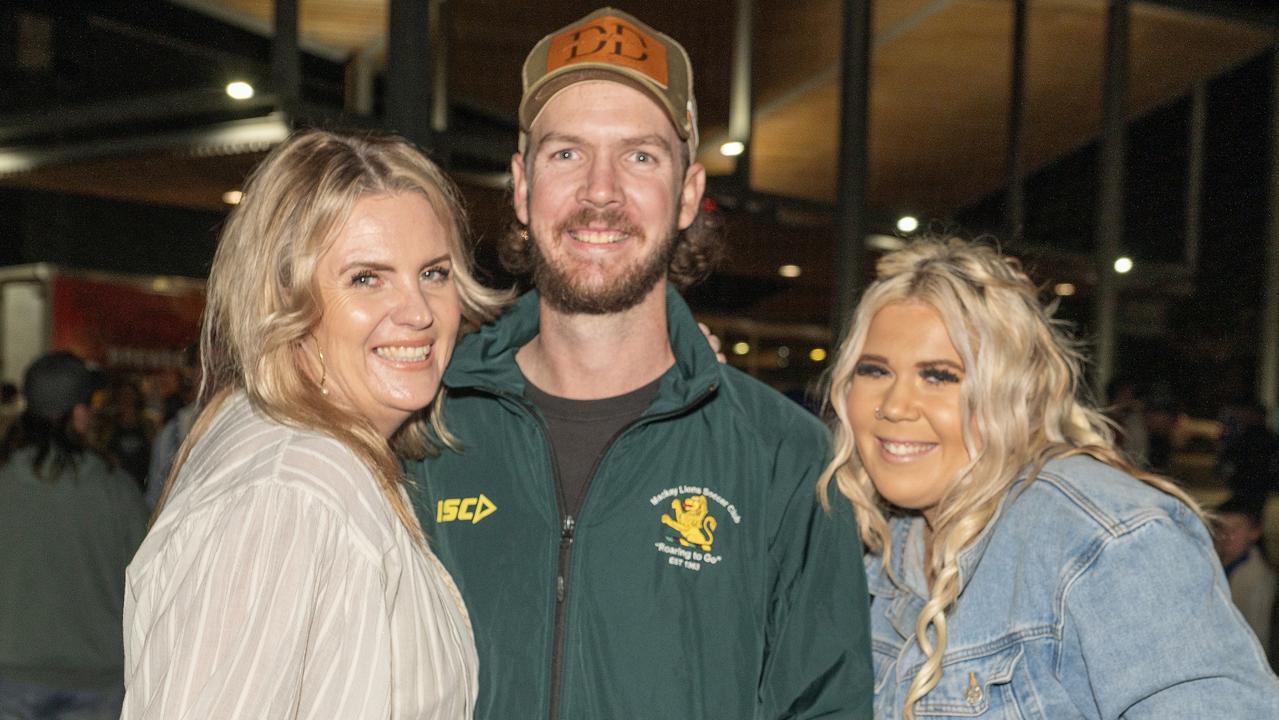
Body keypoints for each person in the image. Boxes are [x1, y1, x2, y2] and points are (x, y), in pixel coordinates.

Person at [403, 8, 873, 719]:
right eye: (566, 154)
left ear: (687, 194)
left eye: (639, 156)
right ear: (522, 187)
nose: (600, 192)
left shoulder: (785, 459)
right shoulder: (422, 433)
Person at [120, 129, 507, 719]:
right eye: (366, 278)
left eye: (434, 272)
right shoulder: (290, 490)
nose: (419, 312)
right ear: (282, 298)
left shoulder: (306, 454)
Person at [819, 237, 1279, 718]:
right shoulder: (880, 544)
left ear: (1013, 390)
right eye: (873, 370)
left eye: (939, 376)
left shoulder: (1103, 540)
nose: (893, 406)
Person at [0, 351, 147, 720]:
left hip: (11, 674)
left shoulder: (5, 481)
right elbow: (146, 582)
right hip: (96, 680)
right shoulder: (117, 489)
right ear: (78, 414)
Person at [1214, 494, 1277, 660]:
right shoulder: (1214, 565)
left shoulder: (1257, 581)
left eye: (1235, 529)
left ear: (1254, 533)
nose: (1227, 536)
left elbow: (1256, 640)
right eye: (1220, 528)